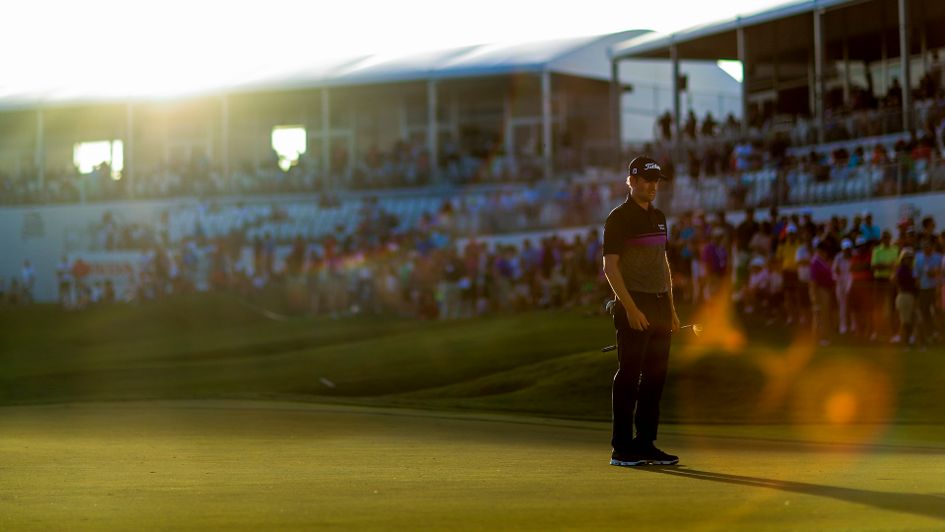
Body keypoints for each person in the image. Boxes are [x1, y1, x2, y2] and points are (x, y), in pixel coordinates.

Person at [603, 156, 680, 467]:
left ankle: (645, 443)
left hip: (661, 304)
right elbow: (610, 268)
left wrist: (672, 309)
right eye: (647, 180)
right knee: (629, 376)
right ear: (631, 181)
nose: (652, 186)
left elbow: (663, 264)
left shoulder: (659, 217)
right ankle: (622, 448)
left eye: (656, 181)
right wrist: (630, 308)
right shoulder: (618, 218)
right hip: (634, 303)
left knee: (655, 378)